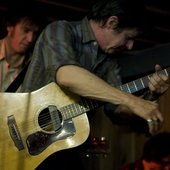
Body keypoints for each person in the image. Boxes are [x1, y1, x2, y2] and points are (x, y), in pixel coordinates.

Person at [20, 0, 170, 169]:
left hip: (62, 147)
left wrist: (150, 96)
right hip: (22, 130)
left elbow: (117, 111)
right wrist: (132, 100)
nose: (130, 46)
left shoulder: (109, 61)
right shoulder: (61, 30)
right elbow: (66, 75)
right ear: (111, 22)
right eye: (129, 38)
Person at [0, 2, 47, 92]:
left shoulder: (35, 67)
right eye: (26, 30)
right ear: (10, 26)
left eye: (35, 33)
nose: (30, 39)